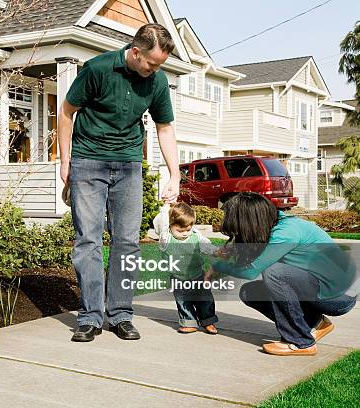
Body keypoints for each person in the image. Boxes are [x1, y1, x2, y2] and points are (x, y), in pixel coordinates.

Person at [57, 23, 181, 342]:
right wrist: (65, 161)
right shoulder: (97, 69)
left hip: (128, 165)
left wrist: (175, 174)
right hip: (88, 161)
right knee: (89, 240)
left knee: (127, 241)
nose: (155, 70)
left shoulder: (157, 81)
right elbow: (67, 112)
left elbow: (164, 128)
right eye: (152, 63)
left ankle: (121, 314)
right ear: (135, 52)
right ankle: (90, 317)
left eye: (160, 65)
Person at [210, 193, 358, 356]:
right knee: (250, 292)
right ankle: (314, 323)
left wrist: (218, 266)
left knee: (275, 273)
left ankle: (301, 342)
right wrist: (230, 253)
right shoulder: (275, 224)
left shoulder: (286, 232)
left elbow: (252, 271)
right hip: (322, 286)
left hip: (340, 297)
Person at [154, 203, 219, 334]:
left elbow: (206, 246)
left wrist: (216, 251)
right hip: (178, 278)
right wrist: (166, 206)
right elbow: (161, 222)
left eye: (188, 230)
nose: (185, 233)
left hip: (197, 275)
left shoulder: (195, 235)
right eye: (180, 230)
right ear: (171, 225)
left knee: (205, 299)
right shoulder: (166, 238)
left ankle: (208, 321)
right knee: (183, 302)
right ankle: (189, 322)